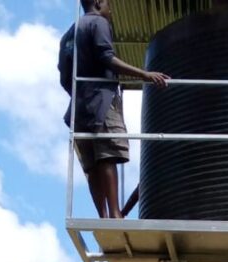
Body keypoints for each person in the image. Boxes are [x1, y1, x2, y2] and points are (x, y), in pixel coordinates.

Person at [60, 0, 169, 219]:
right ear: (99, 2)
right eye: (109, 3)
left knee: (91, 165)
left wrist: (82, 93)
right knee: (107, 156)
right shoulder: (98, 23)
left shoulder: (68, 35)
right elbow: (106, 57)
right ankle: (116, 213)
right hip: (102, 100)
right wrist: (144, 75)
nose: (110, 9)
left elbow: (64, 77)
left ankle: (104, 215)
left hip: (79, 108)